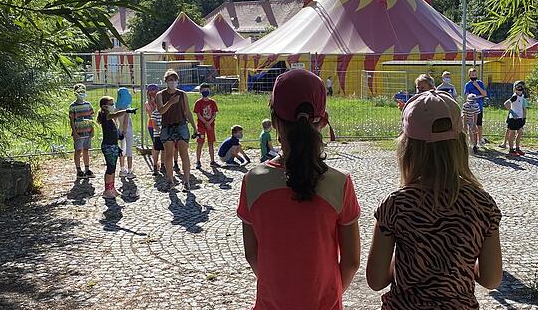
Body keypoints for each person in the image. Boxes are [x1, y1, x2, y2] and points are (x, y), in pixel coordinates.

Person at [238, 69, 361, 310]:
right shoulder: (340, 183)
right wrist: (328, 293)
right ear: (323, 121)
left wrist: (280, 289)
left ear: (274, 121)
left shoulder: (252, 181)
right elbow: (351, 262)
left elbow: (253, 254)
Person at [366, 90, 503, 306]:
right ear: (459, 144)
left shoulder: (395, 205)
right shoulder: (482, 204)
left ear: (407, 147)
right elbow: (491, 279)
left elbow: (376, 280)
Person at [156, 70, 198, 190]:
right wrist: (170, 102)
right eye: (170, 80)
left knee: (184, 153)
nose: (173, 82)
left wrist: (195, 128)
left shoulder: (183, 94)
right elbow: (161, 111)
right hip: (167, 126)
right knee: (169, 155)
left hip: (181, 125)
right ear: (166, 81)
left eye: (174, 80)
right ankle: (170, 180)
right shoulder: (160, 95)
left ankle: (186, 181)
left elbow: (187, 112)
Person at [96, 96, 136, 198]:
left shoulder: (111, 119)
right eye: (111, 104)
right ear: (104, 106)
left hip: (113, 145)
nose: (113, 105)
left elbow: (113, 132)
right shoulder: (106, 116)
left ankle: (112, 187)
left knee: (113, 168)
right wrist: (126, 111)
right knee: (110, 168)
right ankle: (107, 190)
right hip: (108, 146)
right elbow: (116, 114)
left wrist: (117, 142)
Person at [68, 83, 94, 178]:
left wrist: (92, 129)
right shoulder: (73, 106)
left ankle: (87, 169)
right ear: (75, 93)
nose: (81, 93)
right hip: (78, 133)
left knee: (86, 150)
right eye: (79, 92)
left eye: (83, 91)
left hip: (87, 131)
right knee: (78, 150)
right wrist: (74, 132)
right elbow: (71, 120)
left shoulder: (88, 105)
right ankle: (78, 170)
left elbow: (91, 118)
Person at [193, 83, 219, 170]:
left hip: (211, 126)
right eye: (203, 91)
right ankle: (198, 161)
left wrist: (209, 122)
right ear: (200, 91)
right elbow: (198, 114)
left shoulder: (212, 102)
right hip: (201, 126)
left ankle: (212, 161)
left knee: (211, 143)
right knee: (200, 143)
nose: (205, 92)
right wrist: (205, 123)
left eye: (207, 90)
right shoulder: (198, 102)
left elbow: (214, 114)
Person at [463, 68, 487, 152]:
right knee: (471, 126)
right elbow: (467, 96)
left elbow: (484, 94)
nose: (473, 76)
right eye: (472, 74)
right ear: (469, 75)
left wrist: (477, 86)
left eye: (475, 74)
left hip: (479, 107)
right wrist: (477, 96)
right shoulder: (467, 85)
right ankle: (472, 141)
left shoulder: (480, 83)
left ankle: (480, 140)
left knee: (479, 125)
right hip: (470, 109)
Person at [114, 87, 136, 180]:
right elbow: (126, 121)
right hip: (127, 130)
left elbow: (115, 120)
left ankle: (122, 170)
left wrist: (119, 130)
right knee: (129, 151)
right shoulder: (127, 109)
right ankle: (130, 171)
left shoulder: (116, 108)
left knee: (122, 150)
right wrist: (124, 130)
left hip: (119, 130)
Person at [504, 81, 528, 157]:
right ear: (515, 90)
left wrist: (524, 118)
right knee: (512, 133)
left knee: (520, 132)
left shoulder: (522, 96)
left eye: (520, 90)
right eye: (517, 89)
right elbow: (506, 104)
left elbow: (522, 107)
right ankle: (511, 149)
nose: (519, 91)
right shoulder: (514, 97)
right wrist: (511, 111)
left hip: (519, 118)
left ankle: (517, 148)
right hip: (513, 118)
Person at [145, 83, 164, 176]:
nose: (153, 92)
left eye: (155, 90)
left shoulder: (161, 99)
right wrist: (153, 102)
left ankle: (163, 164)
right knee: (156, 146)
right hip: (152, 125)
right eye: (151, 91)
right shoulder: (147, 103)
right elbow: (152, 113)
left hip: (163, 124)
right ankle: (155, 165)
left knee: (164, 146)